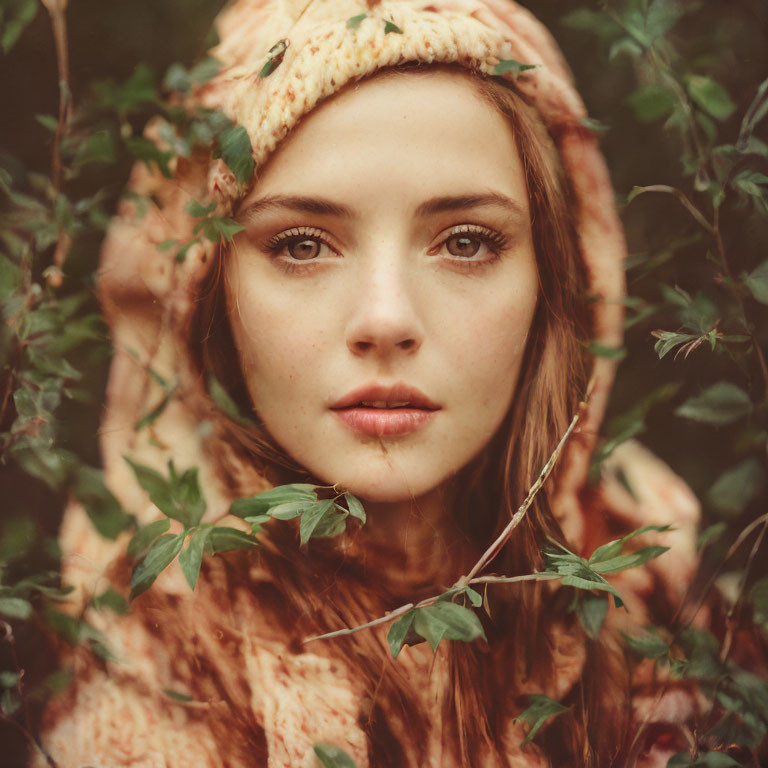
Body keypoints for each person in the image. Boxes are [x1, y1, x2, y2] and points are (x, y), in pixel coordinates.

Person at [34, 0, 708, 765]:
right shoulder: (141, 667)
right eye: (300, 244)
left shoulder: (665, 587)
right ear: (203, 294)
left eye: (465, 241)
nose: (386, 320)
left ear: (557, 280)